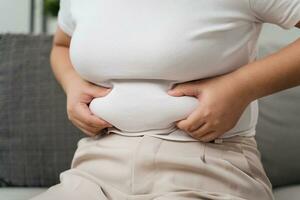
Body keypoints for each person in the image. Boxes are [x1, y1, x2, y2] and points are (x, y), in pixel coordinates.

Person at [30, 0, 300, 199]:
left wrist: (241, 86)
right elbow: (62, 45)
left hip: (207, 168)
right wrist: (72, 84)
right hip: (96, 165)